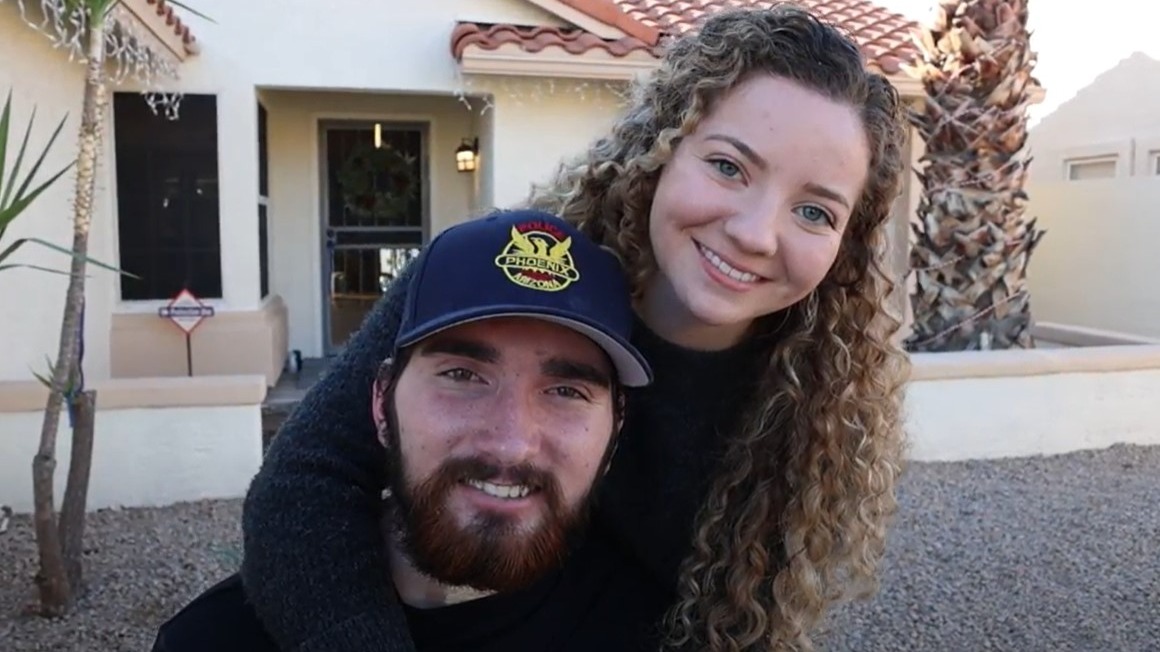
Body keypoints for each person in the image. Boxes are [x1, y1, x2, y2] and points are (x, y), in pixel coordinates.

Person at [241, 5, 911, 651]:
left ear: (847, 244)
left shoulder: (819, 400)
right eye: (728, 167)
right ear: (661, 150)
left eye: (815, 212)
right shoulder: (509, 276)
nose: (756, 234)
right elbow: (304, 485)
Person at [151, 209, 673, 651]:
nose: (511, 442)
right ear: (381, 403)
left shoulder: (661, 630)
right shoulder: (212, 640)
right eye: (462, 376)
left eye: (566, 392)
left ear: (616, 428)